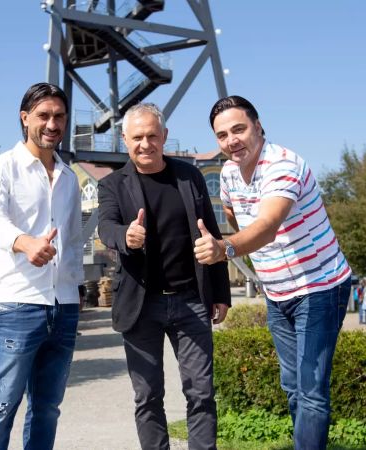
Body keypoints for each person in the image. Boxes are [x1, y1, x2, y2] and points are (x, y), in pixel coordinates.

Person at [193, 96, 351, 450]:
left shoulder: (282, 165)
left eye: (239, 129)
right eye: (222, 135)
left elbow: (266, 226)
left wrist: (226, 248)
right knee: (292, 386)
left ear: (258, 126)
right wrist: (252, 252)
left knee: (310, 388)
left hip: (320, 286)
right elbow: (237, 216)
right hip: (278, 292)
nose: (232, 140)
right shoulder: (231, 174)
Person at [97, 102, 231, 450]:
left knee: (201, 392)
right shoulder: (113, 184)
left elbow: (211, 234)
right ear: (125, 139)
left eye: (152, 136)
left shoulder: (190, 176)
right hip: (141, 306)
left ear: (165, 136)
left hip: (191, 301)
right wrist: (125, 236)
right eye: (137, 137)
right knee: (148, 396)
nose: (145, 144)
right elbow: (106, 225)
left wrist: (221, 292)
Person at [0, 82, 84, 450]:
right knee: (1, 407)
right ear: (25, 119)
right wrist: (25, 243)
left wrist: (75, 293)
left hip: (64, 306)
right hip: (19, 304)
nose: (52, 123)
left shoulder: (69, 177)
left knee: (48, 408)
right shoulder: (1, 167)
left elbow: (71, 242)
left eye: (59, 116)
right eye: (44, 115)